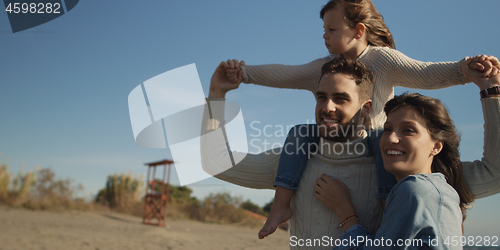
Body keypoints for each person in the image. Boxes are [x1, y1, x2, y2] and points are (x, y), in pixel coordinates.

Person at [221, 0, 499, 238]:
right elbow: (285, 74)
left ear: (358, 31)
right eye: (324, 30)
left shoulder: (384, 60)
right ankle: (281, 203)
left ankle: (388, 201)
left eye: (331, 29)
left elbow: (425, 73)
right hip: (335, 142)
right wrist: (244, 74)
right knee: (299, 132)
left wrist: (466, 71)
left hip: (377, 142)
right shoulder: (324, 68)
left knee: (380, 139)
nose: (325, 36)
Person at [201, 57, 500, 250]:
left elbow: (494, 174)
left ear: (366, 108)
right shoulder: (293, 161)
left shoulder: (398, 165)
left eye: (340, 98)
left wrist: (491, 92)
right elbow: (214, 162)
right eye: (321, 97)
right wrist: (217, 94)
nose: (327, 107)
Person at [313, 59, 500, 249]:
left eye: (409, 130)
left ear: (436, 146)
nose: (391, 139)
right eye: (387, 129)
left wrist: (345, 212)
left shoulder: (416, 191)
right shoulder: (437, 189)